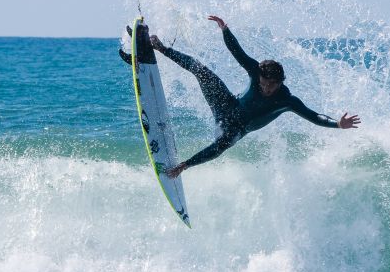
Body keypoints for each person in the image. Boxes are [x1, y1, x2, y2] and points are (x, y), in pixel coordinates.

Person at [124, 15, 360, 178]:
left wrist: (337, 124)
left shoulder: (287, 100)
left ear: (280, 83)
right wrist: (225, 30)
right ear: (259, 77)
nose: (267, 89)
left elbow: (314, 116)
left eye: (272, 86)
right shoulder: (255, 69)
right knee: (202, 71)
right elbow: (237, 52)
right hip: (226, 105)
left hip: (237, 128)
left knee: (221, 146)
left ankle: (184, 166)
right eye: (264, 84)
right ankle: (159, 48)